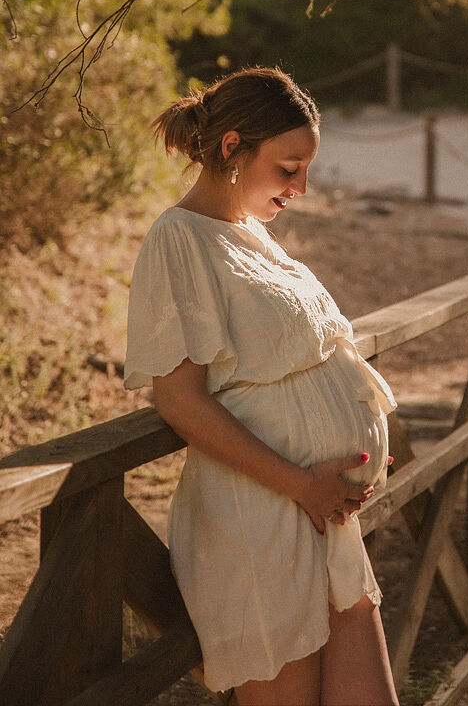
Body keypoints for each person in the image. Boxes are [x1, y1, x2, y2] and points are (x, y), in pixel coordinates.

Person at [124, 67, 400, 706]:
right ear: (232, 148)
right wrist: (303, 483)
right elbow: (180, 399)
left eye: (306, 169)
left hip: (324, 518)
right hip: (262, 521)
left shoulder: (252, 234)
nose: (302, 187)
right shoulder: (178, 239)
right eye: (288, 168)